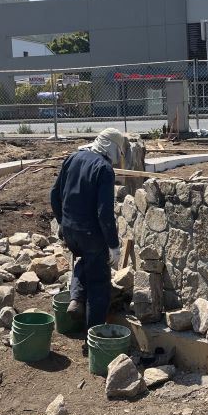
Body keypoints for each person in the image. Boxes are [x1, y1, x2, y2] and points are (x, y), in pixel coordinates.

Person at [50, 128, 124, 332]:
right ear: (112, 148)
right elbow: (104, 213)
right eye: (119, 152)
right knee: (99, 283)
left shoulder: (73, 158)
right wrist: (113, 245)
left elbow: (54, 194)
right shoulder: (104, 169)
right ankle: (94, 334)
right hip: (91, 234)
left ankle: (76, 299)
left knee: (83, 261)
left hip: (70, 229)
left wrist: (62, 224)